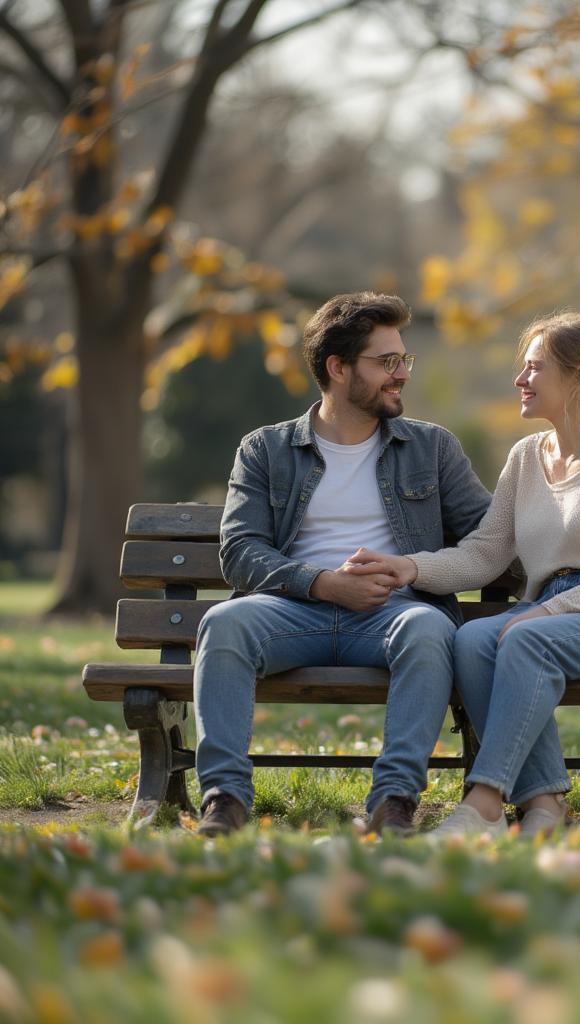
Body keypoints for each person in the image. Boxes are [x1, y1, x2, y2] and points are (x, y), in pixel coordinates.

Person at [352, 312, 580, 838]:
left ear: (579, 377)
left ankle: (484, 804)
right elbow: (485, 553)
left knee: (527, 640)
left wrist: (544, 611)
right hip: (557, 616)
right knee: (474, 640)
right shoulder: (525, 457)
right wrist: (411, 567)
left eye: (534, 368)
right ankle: (543, 806)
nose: (519, 380)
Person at [193, 292, 491, 838]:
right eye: (387, 362)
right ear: (338, 367)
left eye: (405, 360)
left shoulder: (432, 448)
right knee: (223, 622)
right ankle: (225, 800)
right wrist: (323, 584)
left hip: (391, 616)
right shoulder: (266, 449)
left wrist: (414, 567)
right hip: (291, 611)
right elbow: (240, 550)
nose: (401, 374)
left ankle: (394, 801)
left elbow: (491, 538)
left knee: (429, 628)